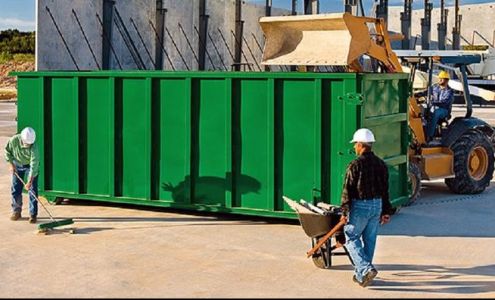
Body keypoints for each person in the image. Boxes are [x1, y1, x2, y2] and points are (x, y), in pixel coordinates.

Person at [340, 128, 394, 287]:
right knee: (369, 240)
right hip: (377, 205)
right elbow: (385, 189)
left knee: (350, 237)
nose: (355, 147)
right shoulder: (381, 164)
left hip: (360, 206)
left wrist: (344, 211)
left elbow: (347, 190)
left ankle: (365, 268)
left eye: (355, 144)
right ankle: (362, 275)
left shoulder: (354, 165)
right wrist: (385, 211)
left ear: (360, 144)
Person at [4, 127, 40, 223]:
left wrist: (29, 181)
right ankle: (16, 211)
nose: (28, 145)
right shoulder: (14, 140)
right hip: (17, 164)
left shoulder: (34, 147)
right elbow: (7, 152)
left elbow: (34, 165)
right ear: (22, 139)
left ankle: (33, 214)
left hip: (29, 166)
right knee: (16, 188)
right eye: (27, 143)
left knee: (32, 189)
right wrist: (11, 164)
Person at [422, 70, 454, 141]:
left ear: (446, 80)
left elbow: (444, 102)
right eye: (439, 78)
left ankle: (429, 136)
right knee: (422, 109)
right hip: (433, 106)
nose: (439, 80)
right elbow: (425, 92)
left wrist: (433, 102)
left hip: (444, 110)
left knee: (435, 112)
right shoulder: (435, 87)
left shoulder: (449, 91)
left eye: (441, 79)